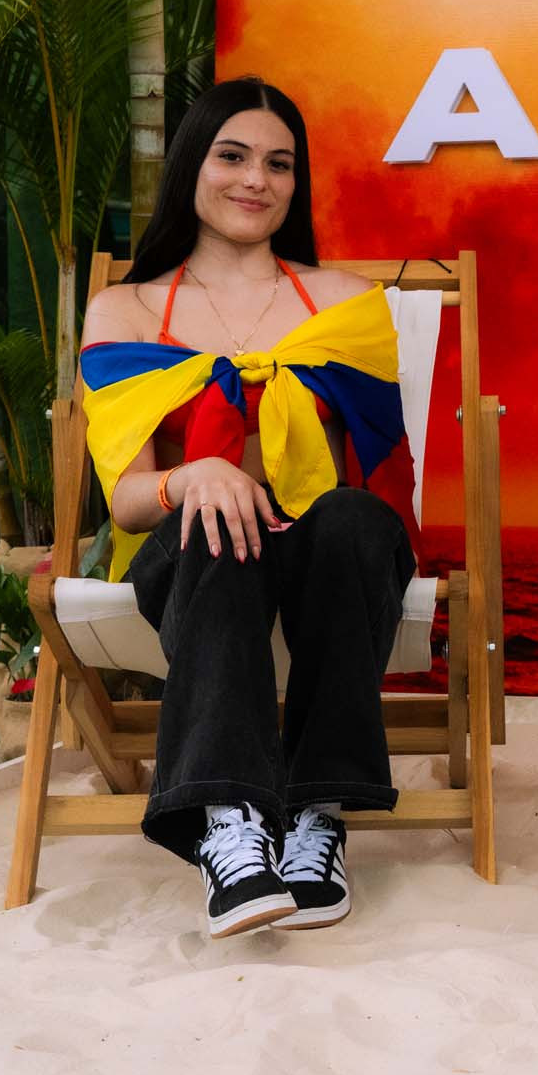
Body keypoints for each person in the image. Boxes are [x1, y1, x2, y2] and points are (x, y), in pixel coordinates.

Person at [80, 77, 419, 939]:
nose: (255, 180)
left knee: (349, 518)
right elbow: (127, 502)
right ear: (191, 164)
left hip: (324, 556)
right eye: (232, 156)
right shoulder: (125, 310)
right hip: (190, 555)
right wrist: (193, 476)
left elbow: (373, 472)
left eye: (279, 164)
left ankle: (315, 815)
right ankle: (227, 822)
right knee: (218, 521)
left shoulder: (345, 304)